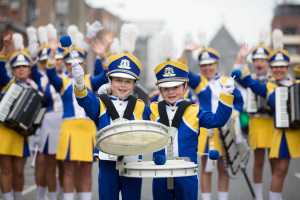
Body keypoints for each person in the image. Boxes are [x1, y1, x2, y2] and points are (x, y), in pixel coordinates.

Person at [74, 23, 148, 200]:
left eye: (127, 81)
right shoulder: (100, 103)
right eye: (118, 80)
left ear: (134, 84)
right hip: (107, 162)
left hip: (132, 162)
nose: (122, 85)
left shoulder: (141, 106)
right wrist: (79, 84)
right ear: (110, 81)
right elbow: (84, 99)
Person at [149, 58, 235, 200]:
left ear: (185, 87)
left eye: (175, 87)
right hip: (160, 174)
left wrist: (226, 95)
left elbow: (218, 120)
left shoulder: (194, 111)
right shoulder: (153, 109)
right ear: (159, 90)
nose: (171, 92)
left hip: (186, 175)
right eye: (166, 88)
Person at [232, 32, 300, 200]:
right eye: (275, 66)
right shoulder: (265, 85)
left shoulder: (294, 84)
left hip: (287, 129)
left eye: (281, 66)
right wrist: (240, 59)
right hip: (265, 124)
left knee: (278, 167)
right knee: (269, 165)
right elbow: (240, 77)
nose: (278, 69)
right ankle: (259, 196)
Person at [46, 34, 106, 200]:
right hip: (69, 129)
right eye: (71, 63)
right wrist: (52, 53)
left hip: (87, 129)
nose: (74, 65)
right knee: (69, 169)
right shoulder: (62, 81)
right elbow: (50, 74)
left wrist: (102, 55)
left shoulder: (90, 80)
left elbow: (105, 75)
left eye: (78, 62)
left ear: (83, 63)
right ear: (65, 64)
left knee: (86, 170)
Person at [187, 47, 243, 200]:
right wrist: (185, 52)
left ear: (216, 64)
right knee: (206, 169)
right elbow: (183, 72)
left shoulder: (226, 81)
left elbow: (238, 100)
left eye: (210, 64)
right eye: (203, 65)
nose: (207, 68)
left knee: (224, 168)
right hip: (207, 131)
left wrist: (235, 112)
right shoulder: (200, 82)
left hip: (226, 131)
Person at [0, 33, 38, 200]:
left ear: (29, 69)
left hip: (20, 135)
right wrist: (6, 49)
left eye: (24, 66)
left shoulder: (34, 88)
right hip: (3, 133)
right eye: (17, 67)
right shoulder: (6, 82)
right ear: (13, 70)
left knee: (19, 172)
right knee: (6, 170)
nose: (21, 69)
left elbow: (39, 111)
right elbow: (0, 67)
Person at [235, 43, 273, 200]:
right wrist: (241, 57)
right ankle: (258, 196)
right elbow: (235, 75)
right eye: (256, 60)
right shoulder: (249, 78)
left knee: (275, 163)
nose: (259, 63)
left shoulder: (276, 77)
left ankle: (275, 195)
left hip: (274, 123)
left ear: (268, 62)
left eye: (263, 60)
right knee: (258, 162)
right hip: (256, 122)